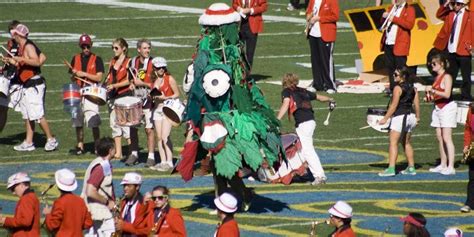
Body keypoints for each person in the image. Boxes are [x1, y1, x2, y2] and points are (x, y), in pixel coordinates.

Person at [3, 23, 59, 152]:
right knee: (27, 115)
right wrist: (13, 62)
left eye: (15, 34)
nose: (13, 37)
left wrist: (20, 59)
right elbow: (24, 63)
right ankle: (29, 142)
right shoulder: (22, 46)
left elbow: (37, 61)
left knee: (38, 115)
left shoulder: (28, 46)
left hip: (34, 84)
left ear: (18, 35)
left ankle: (51, 139)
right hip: (26, 85)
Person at [276, 73, 333, 185]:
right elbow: (319, 97)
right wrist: (330, 99)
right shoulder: (303, 90)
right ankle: (300, 171)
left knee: (308, 150)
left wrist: (277, 119)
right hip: (310, 121)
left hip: (304, 123)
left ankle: (320, 176)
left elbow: (286, 103)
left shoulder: (287, 91)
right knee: (301, 149)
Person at [378, 66, 420, 177]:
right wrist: (418, 117)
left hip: (400, 116)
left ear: (403, 76)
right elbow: (416, 104)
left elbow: (393, 106)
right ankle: (411, 167)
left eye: (396, 75)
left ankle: (391, 168)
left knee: (393, 142)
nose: (393, 76)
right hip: (411, 116)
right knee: (406, 142)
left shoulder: (397, 88)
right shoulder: (413, 88)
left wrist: (385, 118)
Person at [68, 34, 104, 155]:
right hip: (77, 91)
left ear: (91, 45)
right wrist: (74, 75)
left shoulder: (97, 59)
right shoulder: (75, 58)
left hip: (91, 92)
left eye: (88, 46)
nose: (86, 49)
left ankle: (97, 146)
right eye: (83, 47)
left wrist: (83, 74)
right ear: (80, 46)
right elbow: (72, 79)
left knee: (93, 121)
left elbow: (99, 77)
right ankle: (80, 146)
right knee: (77, 121)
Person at [433, 0, 474, 101]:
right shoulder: (450, 14)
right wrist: (447, 3)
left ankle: (465, 96)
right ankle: (448, 94)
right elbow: (438, 14)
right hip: (451, 50)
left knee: (466, 76)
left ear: (463, 5)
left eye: (458, 4)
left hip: (464, 50)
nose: (455, 6)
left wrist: (472, 46)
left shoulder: (470, 15)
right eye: (454, 3)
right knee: (450, 75)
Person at [125, 39, 156, 166]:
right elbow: (130, 79)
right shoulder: (132, 62)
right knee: (133, 128)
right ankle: (134, 154)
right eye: (144, 48)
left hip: (148, 100)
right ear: (138, 49)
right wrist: (132, 84)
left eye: (148, 48)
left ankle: (151, 156)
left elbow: (158, 83)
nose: (147, 50)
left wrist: (142, 83)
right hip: (135, 99)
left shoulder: (154, 63)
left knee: (149, 129)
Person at [427, 53, 457, 175]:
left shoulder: (447, 77)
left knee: (447, 138)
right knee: (439, 137)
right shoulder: (437, 77)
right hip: (438, 107)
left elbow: (447, 94)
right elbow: (437, 95)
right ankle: (443, 164)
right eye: (431, 64)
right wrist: (429, 97)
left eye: (434, 63)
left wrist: (433, 90)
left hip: (447, 107)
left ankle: (451, 166)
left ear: (442, 64)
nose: (431, 66)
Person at [81, 137, 117, 236]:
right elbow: (90, 191)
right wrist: (107, 202)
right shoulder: (102, 166)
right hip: (100, 213)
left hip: (94, 212)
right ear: (110, 150)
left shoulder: (96, 162)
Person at [149, 57, 180, 172]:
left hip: (167, 109)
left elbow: (177, 94)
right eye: (159, 67)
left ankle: (169, 162)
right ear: (154, 68)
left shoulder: (169, 78)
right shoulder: (154, 81)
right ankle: (163, 162)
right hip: (157, 110)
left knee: (165, 137)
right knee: (159, 137)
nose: (161, 69)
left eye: (163, 67)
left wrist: (165, 97)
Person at [43, 168, 93, 236]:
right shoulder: (80, 201)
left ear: (58, 186)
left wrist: (47, 214)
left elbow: (52, 226)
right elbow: (88, 223)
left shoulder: (59, 202)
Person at [380, 0, 415, 95]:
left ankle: (404, 89)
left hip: (400, 43)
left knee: (400, 69)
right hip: (388, 42)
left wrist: (394, 18)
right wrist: (383, 17)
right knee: (390, 68)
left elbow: (409, 25)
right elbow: (384, 23)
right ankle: (393, 89)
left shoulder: (410, 9)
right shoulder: (392, 8)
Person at [105, 38, 132, 159]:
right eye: (113, 48)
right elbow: (110, 76)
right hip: (113, 96)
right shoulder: (112, 61)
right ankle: (119, 152)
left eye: (116, 48)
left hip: (124, 95)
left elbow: (129, 80)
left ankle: (132, 151)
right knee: (114, 124)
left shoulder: (129, 62)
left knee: (125, 124)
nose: (114, 50)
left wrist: (115, 85)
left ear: (124, 49)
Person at [306, 0, 339, 93]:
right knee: (315, 60)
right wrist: (308, 16)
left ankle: (330, 85)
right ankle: (317, 84)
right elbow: (309, 10)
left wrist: (320, 18)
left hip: (326, 33)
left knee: (326, 60)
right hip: (313, 33)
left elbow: (335, 16)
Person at [232, 0, 267, 69]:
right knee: (237, 51)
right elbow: (234, 4)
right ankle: (237, 72)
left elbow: (264, 7)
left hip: (252, 26)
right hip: (240, 25)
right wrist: (238, 8)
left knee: (249, 53)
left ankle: (247, 74)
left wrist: (251, 10)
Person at [460, 102, 474, 213]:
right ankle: (469, 203)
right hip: (473, 148)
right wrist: (466, 145)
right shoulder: (471, 110)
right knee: (472, 177)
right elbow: (468, 129)